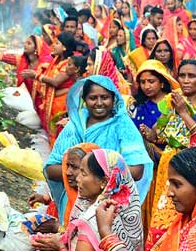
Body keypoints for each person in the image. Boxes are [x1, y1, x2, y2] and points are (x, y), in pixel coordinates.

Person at [45, 75, 153, 215]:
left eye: (105, 97)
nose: (99, 103)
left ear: (114, 99)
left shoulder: (123, 126)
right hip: (73, 202)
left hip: (108, 205)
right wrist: (80, 175)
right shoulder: (74, 127)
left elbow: (137, 170)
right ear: (84, 100)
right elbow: (51, 169)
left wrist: (93, 174)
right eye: (93, 98)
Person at [145, 60, 196, 249]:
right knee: (166, 211)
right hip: (169, 163)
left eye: (192, 76)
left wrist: (183, 112)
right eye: (182, 76)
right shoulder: (172, 99)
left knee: (193, 212)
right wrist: (150, 133)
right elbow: (159, 133)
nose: (186, 81)